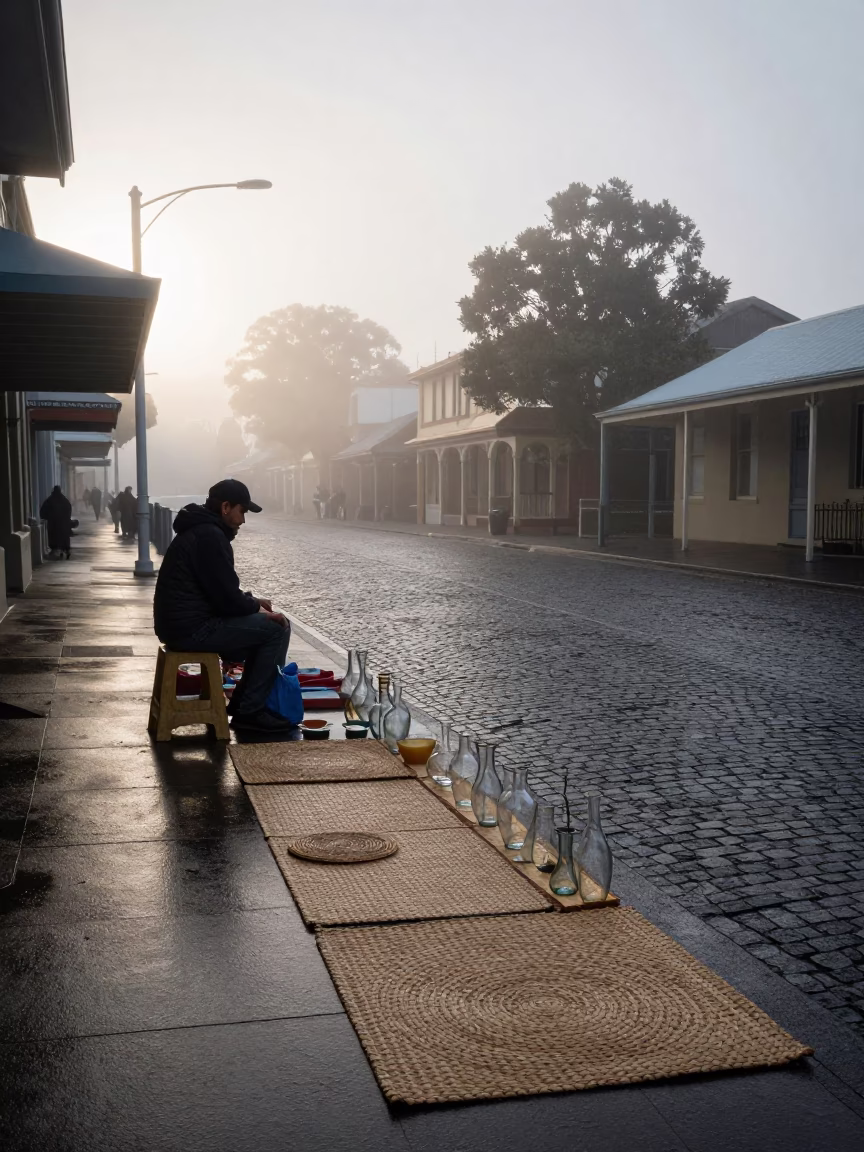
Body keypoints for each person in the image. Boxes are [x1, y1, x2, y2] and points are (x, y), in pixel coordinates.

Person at [153, 478, 292, 734]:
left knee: (263, 623)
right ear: (226, 507)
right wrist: (257, 609)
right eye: (242, 511)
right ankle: (250, 711)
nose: (243, 520)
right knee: (278, 627)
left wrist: (252, 601)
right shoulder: (210, 536)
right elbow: (227, 600)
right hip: (192, 629)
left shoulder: (202, 530)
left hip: (179, 624)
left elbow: (217, 589)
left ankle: (244, 704)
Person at [40, 485, 73, 560]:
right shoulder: (64, 500)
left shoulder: (50, 500)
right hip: (63, 523)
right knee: (64, 537)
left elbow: (43, 511)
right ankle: (66, 551)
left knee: (54, 537)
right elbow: (69, 508)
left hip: (53, 523)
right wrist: (67, 519)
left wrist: (46, 517)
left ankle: (57, 550)